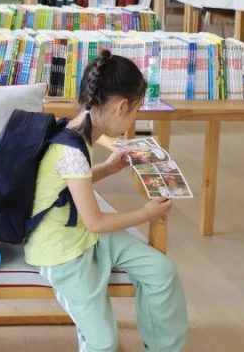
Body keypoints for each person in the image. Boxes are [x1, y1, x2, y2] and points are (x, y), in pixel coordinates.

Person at [28, 51, 187, 352]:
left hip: (85, 236)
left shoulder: (75, 130)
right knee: (103, 342)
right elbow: (96, 222)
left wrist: (107, 168)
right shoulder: (71, 148)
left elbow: (70, 185)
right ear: (121, 106)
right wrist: (146, 213)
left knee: (161, 273)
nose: (134, 118)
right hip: (62, 253)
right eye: (136, 110)